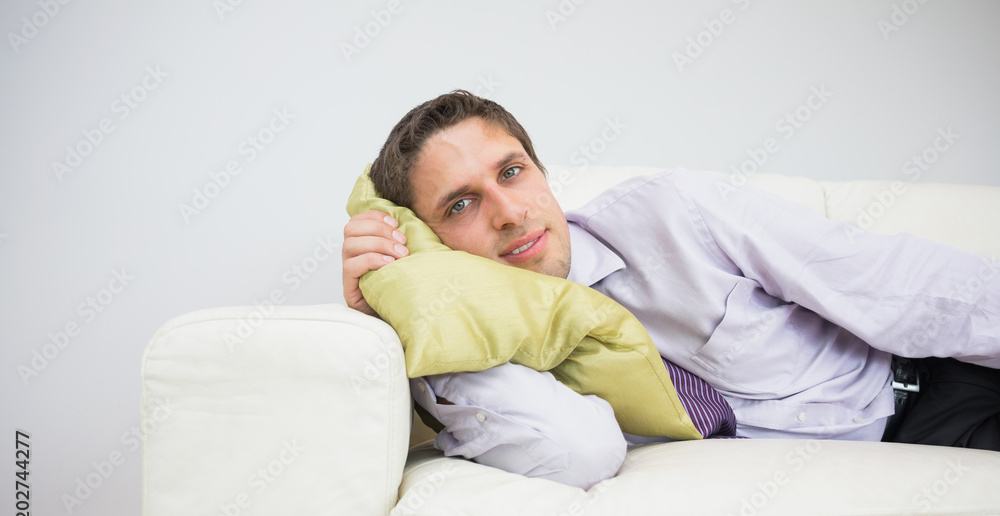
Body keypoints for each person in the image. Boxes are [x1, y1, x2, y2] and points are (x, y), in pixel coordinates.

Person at [342, 90, 1000, 489]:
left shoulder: (674, 214)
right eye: (460, 205)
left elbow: (895, 286)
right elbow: (575, 451)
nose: (508, 212)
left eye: (512, 172)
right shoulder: (503, 361)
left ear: (542, 174)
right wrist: (408, 295)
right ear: (429, 242)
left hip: (937, 388)